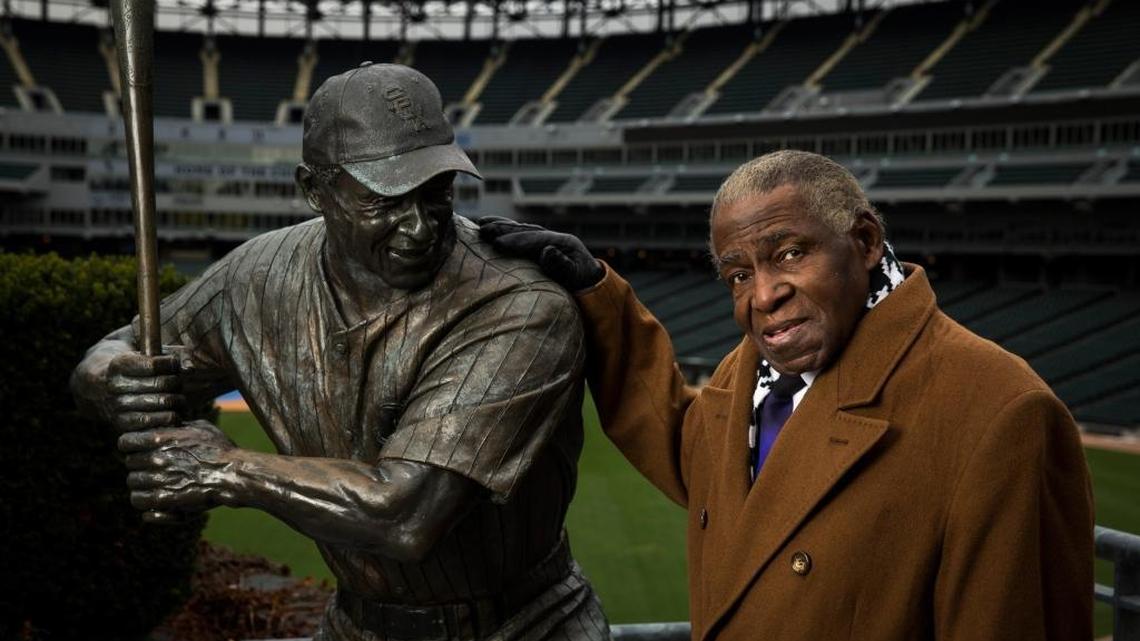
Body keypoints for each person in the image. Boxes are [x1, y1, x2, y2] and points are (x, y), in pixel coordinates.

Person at [72, 63, 610, 641]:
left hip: (521, 627)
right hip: (357, 625)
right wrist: (114, 380)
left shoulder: (521, 306)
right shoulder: (255, 275)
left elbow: (405, 515)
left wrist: (224, 470)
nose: (420, 229)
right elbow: (117, 351)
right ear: (315, 191)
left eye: (437, 195)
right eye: (383, 201)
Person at [480, 150, 1094, 641]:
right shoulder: (745, 373)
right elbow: (687, 450)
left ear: (865, 241)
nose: (763, 295)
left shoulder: (1001, 410)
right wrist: (598, 297)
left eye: (790, 254)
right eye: (739, 274)